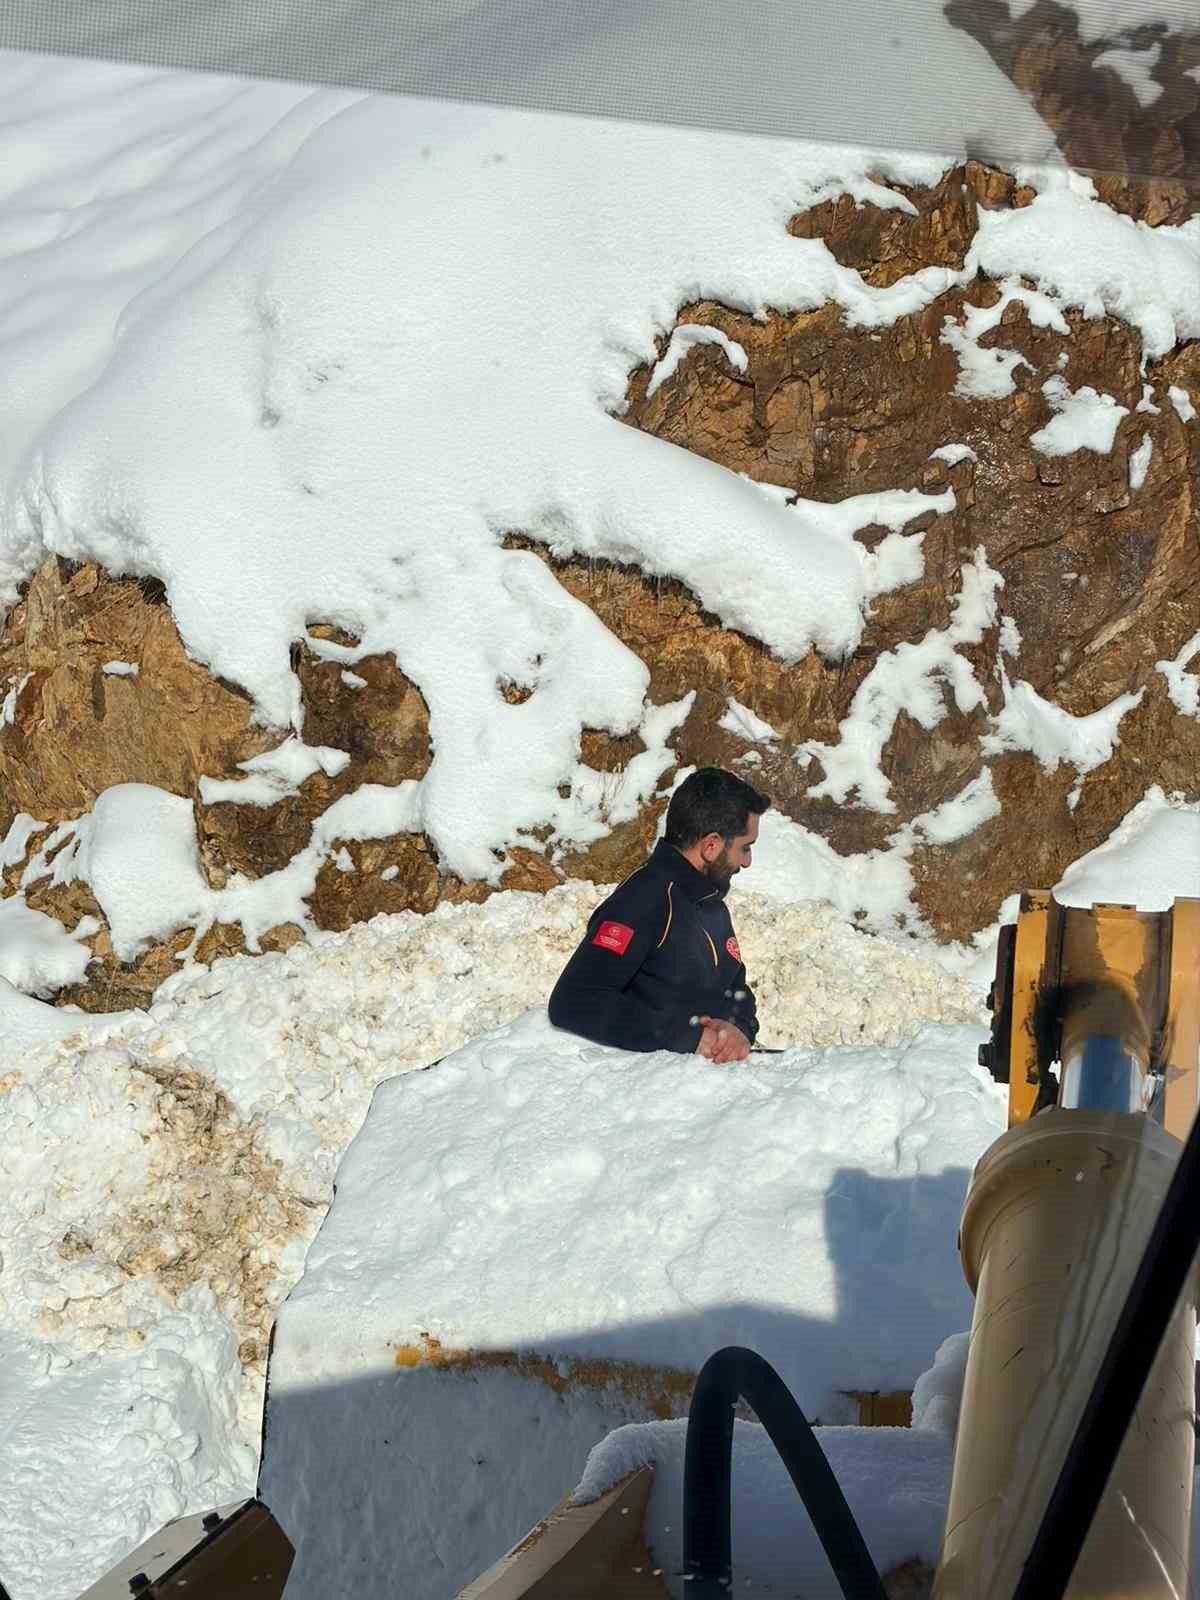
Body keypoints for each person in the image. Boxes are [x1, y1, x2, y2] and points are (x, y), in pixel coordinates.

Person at [549, 766, 769, 1062]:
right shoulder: (645, 898)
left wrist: (738, 1029)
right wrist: (688, 1037)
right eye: (745, 848)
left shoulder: (711, 903)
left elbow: (736, 990)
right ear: (712, 845)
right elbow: (576, 1000)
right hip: (650, 1094)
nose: (747, 862)